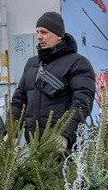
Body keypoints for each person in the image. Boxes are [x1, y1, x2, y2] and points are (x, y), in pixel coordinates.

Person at [10, 11, 96, 156]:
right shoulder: (32, 64)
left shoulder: (78, 64)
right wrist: (11, 132)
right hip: (34, 148)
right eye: (37, 32)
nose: (39, 36)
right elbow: (19, 100)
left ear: (58, 36)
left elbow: (82, 102)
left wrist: (64, 135)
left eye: (44, 32)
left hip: (63, 150)